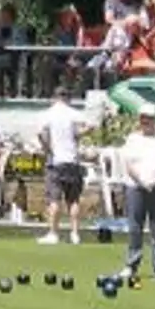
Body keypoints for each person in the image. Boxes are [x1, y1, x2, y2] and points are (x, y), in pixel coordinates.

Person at [120, 105, 155, 282]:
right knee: (135, 227)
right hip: (135, 187)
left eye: (149, 118)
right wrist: (142, 181)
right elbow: (129, 165)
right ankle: (131, 265)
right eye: (143, 118)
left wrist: (154, 179)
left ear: (154, 119)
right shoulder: (132, 139)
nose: (146, 121)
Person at [36, 86, 87, 246]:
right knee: (74, 200)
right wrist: (77, 136)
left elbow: (40, 133)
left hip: (56, 160)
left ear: (54, 97)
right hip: (72, 160)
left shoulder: (49, 113)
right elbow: (91, 125)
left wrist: (47, 148)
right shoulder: (73, 113)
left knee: (54, 199)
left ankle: (53, 233)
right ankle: (75, 233)